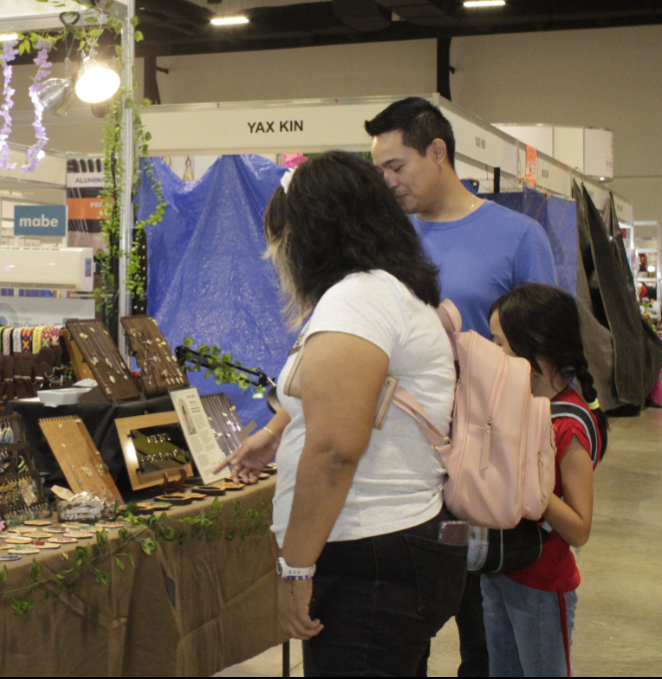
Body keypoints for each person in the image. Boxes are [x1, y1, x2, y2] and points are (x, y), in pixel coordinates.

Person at [220, 152, 467, 676]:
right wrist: (274, 433)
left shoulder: (358, 299)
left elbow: (335, 449)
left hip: (368, 555)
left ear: (310, 234)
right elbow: (350, 396)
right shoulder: (387, 292)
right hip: (393, 546)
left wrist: (295, 570)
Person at [366, 96, 557, 677]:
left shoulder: (519, 237)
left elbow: (545, 365)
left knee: (487, 640)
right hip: (402, 463)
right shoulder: (388, 241)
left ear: (438, 152)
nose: (388, 182)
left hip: (485, 463)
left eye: (396, 166)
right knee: (402, 634)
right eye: (379, 172)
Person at [486, 284, 606, 677]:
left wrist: (529, 476)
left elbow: (579, 528)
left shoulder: (567, 425)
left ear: (534, 349)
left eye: (499, 342)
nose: (492, 353)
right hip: (498, 571)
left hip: (541, 586)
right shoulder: (519, 406)